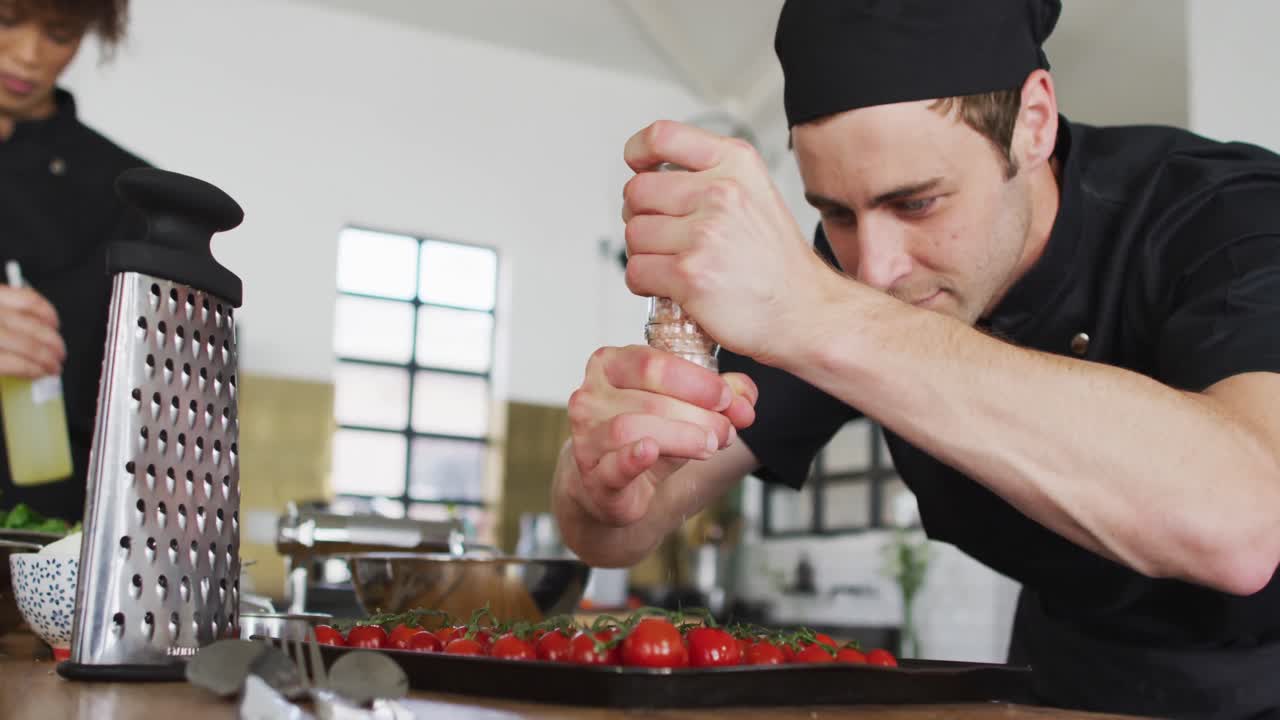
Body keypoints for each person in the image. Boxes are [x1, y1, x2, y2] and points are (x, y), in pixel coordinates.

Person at [552, 0, 1280, 716]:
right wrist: (602, 483)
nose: (875, 270)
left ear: (1033, 122)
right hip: (1060, 686)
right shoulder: (837, 282)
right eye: (836, 212)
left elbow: (1246, 526)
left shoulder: (1225, 215)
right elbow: (621, 531)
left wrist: (824, 315)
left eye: (918, 203)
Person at [0, 0, 147, 521]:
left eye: (59, 35)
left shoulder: (128, 196)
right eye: (7, 21)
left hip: (53, 529)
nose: (28, 55)